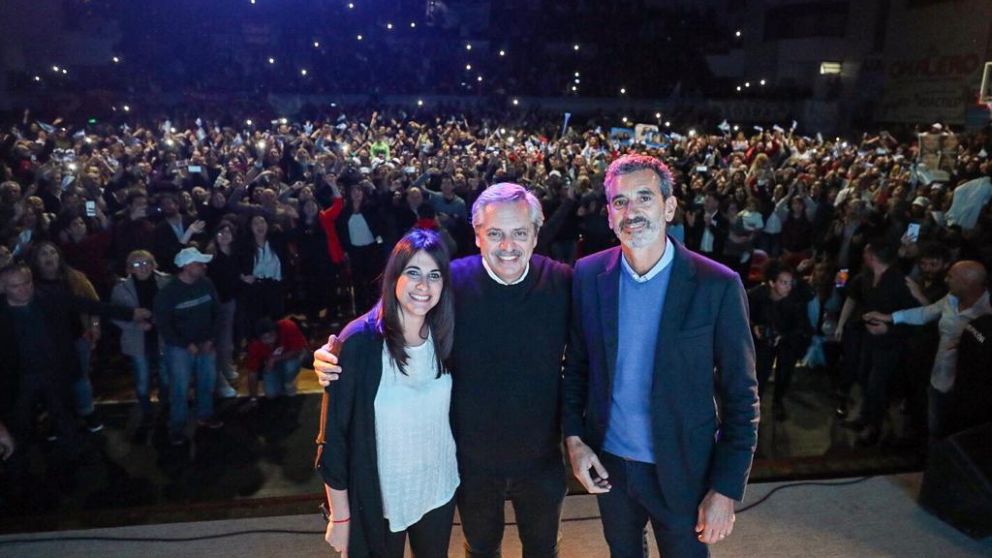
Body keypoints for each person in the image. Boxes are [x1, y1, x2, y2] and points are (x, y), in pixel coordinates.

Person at [316, 183, 573, 558]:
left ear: (536, 234)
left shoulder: (563, 283)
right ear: (478, 235)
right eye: (495, 233)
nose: (508, 245)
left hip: (541, 460)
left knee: (543, 550)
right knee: (481, 550)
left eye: (519, 233)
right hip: (470, 463)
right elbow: (397, 306)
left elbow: (591, 356)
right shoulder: (451, 282)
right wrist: (336, 351)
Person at [562, 154, 759, 558]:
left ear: (669, 207)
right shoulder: (587, 275)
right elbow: (577, 366)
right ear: (610, 214)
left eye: (644, 198)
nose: (631, 212)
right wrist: (575, 440)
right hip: (611, 464)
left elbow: (742, 395)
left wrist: (725, 488)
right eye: (620, 202)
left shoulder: (717, 286)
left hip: (684, 469)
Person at [319, 229, 459, 558]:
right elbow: (333, 440)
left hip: (437, 487)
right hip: (377, 498)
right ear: (394, 276)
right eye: (413, 272)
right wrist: (340, 516)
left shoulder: (446, 335)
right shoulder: (360, 342)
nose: (424, 286)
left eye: (434, 275)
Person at [863, 260, 990, 441]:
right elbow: (926, 313)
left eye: (951, 277)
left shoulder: (987, 312)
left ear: (967, 283)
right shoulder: (952, 299)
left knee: (956, 436)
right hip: (938, 378)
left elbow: (982, 347)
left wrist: (967, 342)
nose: (946, 280)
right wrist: (890, 317)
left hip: (965, 390)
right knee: (935, 429)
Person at [154, 247, 223, 446]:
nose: (203, 266)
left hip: (205, 344)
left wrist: (211, 339)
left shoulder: (206, 284)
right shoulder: (168, 293)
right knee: (180, 387)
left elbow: (217, 313)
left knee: (207, 381)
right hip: (179, 348)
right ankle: (177, 426)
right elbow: (164, 325)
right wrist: (185, 344)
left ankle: (205, 414)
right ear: (186, 266)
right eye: (199, 263)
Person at [110, 250, 172, 427]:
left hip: (162, 337)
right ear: (130, 269)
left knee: (166, 376)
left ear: (153, 265)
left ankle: (165, 404)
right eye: (137, 264)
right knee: (142, 379)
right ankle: (146, 410)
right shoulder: (120, 289)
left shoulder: (166, 282)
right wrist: (136, 324)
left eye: (147, 263)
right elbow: (116, 316)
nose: (143, 267)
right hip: (137, 339)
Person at [748, 259, 812, 421]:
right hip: (764, 341)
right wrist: (755, 327)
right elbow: (743, 314)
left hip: (787, 340)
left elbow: (801, 326)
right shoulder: (757, 295)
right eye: (784, 283)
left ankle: (778, 402)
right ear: (772, 282)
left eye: (790, 283)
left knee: (784, 372)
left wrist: (783, 337)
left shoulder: (795, 300)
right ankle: (755, 404)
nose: (788, 287)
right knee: (760, 373)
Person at [242, 317, 308, 407]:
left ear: (276, 331)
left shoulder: (288, 326)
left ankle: (289, 381)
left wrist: (274, 359)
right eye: (265, 338)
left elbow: (298, 349)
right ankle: (281, 380)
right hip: (271, 364)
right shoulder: (254, 345)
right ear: (259, 338)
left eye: (271, 336)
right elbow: (252, 373)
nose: (269, 340)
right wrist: (253, 398)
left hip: (291, 357)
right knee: (271, 394)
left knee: (291, 366)